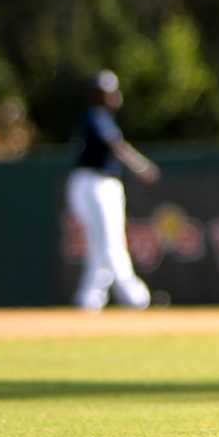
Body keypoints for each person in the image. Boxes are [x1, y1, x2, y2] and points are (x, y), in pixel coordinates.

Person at [66, 70, 158, 311]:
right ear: (98, 95)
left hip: (96, 184)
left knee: (102, 242)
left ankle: (90, 297)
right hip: (94, 183)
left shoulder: (100, 117)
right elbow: (116, 146)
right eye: (107, 92)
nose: (114, 95)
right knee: (109, 240)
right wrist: (141, 165)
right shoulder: (96, 116)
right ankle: (134, 295)